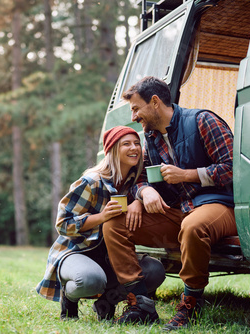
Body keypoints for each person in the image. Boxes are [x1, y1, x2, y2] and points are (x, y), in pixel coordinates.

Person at [102, 76, 237, 330]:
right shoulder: (149, 138)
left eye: (136, 108)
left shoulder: (202, 121)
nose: (134, 116)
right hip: (178, 212)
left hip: (220, 206)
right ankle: (140, 304)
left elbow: (233, 168)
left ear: (154, 102)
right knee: (114, 225)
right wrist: (144, 195)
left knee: (193, 226)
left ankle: (191, 304)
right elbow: (139, 180)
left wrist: (187, 174)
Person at [36, 126, 166, 321]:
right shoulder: (91, 182)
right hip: (77, 251)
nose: (135, 148)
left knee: (155, 271)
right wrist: (101, 217)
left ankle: (106, 301)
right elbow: (63, 224)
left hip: (111, 256)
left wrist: (138, 202)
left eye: (137, 143)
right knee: (90, 280)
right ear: (112, 150)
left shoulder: (134, 182)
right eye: (126, 144)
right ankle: (69, 298)